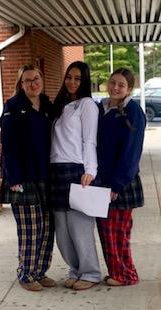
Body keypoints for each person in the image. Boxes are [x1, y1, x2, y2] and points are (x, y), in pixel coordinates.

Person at [0, 65, 56, 292]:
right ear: (21, 84)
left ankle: (40, 271)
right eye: (28, 80)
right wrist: (13, 178)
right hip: (22, 178)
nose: (33, 83)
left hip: (45, 176)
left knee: (47, 228)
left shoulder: (48, 106)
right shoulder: (13, 107)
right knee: (31, 229)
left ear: (42, 79)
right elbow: (8, 146)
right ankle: (26, 274)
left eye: (36, 78)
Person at [49, 61, 101, 291]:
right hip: (55, 170)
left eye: (77, 78)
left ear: (85, 81)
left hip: (77, 170)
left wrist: (91, 170)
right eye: (69, 77)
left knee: (79, 228)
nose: (72, 82)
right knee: (62, 231)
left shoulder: (87, 105)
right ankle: (75, 270)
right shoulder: (60, 105)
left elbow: (89, 140)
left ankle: (90, 273)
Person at [95, 68, 146, 286]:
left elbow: (131, 152)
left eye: (121, 85)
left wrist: (117, 184)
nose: (115, 87)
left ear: (129, 89)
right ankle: (116, 272)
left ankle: (126, 275)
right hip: (102, 182)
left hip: (121, 184)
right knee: (107, 232)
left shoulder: (133, 111)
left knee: (119, 233)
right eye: (113, 82)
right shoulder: (102, 108)